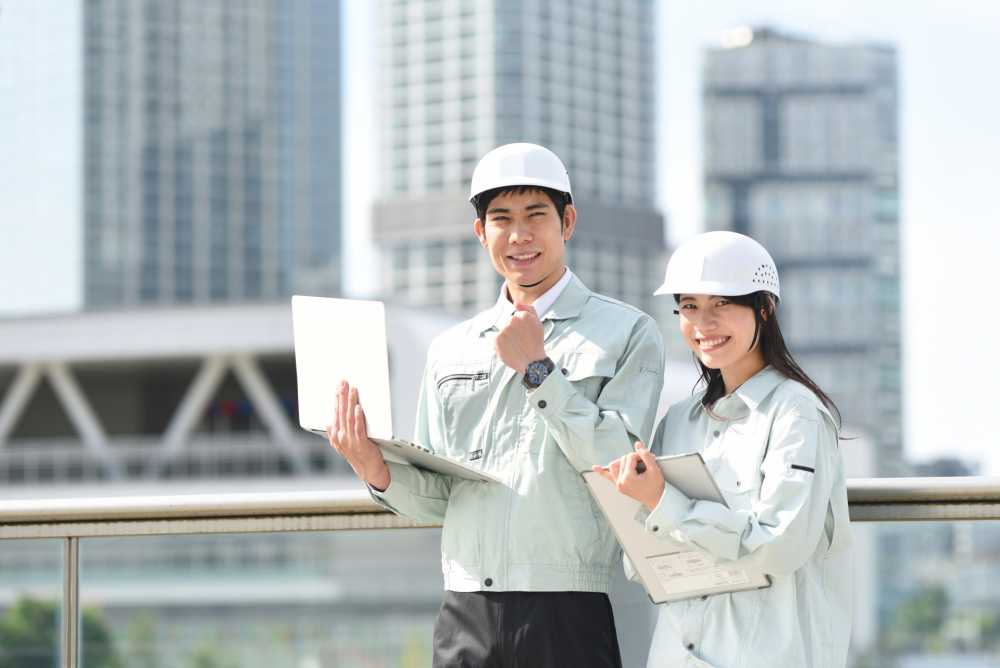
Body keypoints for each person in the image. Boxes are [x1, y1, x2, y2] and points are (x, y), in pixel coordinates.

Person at [326, 143, 665, 667]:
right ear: (480, 232)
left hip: (568, 607)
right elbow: (441, 498)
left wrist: (539, 372)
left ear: (567, 222)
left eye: (536, 216)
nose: (519, 235)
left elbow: (622, 464)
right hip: (465, 609)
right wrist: (374, 469)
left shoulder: (627, 334)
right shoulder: (451, 348)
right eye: (501, 219)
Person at [594, 231, 852, 667]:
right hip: (678, 655)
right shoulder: (678, 420)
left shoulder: (796, 413)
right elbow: (642, 565)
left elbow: (779, 548)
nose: (702, 324)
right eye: (689, 306)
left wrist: (665, 504)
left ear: (764, 308)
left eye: (722, 304)